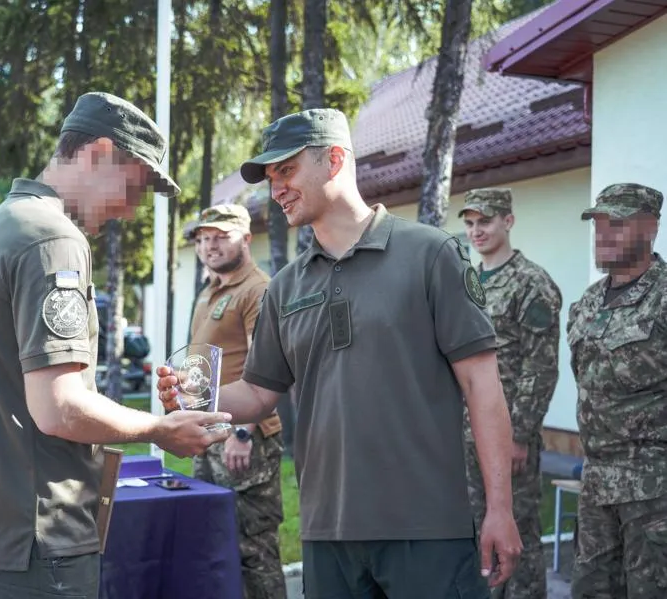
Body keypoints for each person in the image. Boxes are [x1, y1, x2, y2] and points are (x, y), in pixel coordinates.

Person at [158, 108, 523, 598]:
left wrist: (500, 508)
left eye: (286, 170)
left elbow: (483, 387)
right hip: (326, 531)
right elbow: (260, 391)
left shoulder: (431, 254)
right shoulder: (286, 286)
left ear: (334, 160)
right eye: (270, 178)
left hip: (426, 528)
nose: (277, 189)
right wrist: (194, 399)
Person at [0, 91, 232, 599]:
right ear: (96, 154)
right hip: (37, 534)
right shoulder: (54, 240)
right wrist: (160, 429)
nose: (132, 209)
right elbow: (59, 407)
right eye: (134, 186)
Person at [459, 188, 562, 599]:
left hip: (505, 433)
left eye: (484, 221)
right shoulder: (467, 281)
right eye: (469, 223)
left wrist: (519, 434)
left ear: (508, 221)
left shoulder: (531, 283)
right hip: (464, 432)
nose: (476, 231)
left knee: (516, 531)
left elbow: (541, 366)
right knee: (472, 528)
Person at [567, 183, 667, 599]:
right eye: (599, 223)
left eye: (618, 224)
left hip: (653, 489)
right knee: (590, 591)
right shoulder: (587, 303)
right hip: (596, 484)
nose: (604, 234)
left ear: (650, 228)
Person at [188, 203, 287, 599]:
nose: (211, 246)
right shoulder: (212, 290)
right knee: (213, 540)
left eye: (221, 237)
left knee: (253, 550)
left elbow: (265, 368)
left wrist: (243, 432)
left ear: (246, 238)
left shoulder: (257, 290)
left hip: (244, 437)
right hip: (209, 432)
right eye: (204, 238)